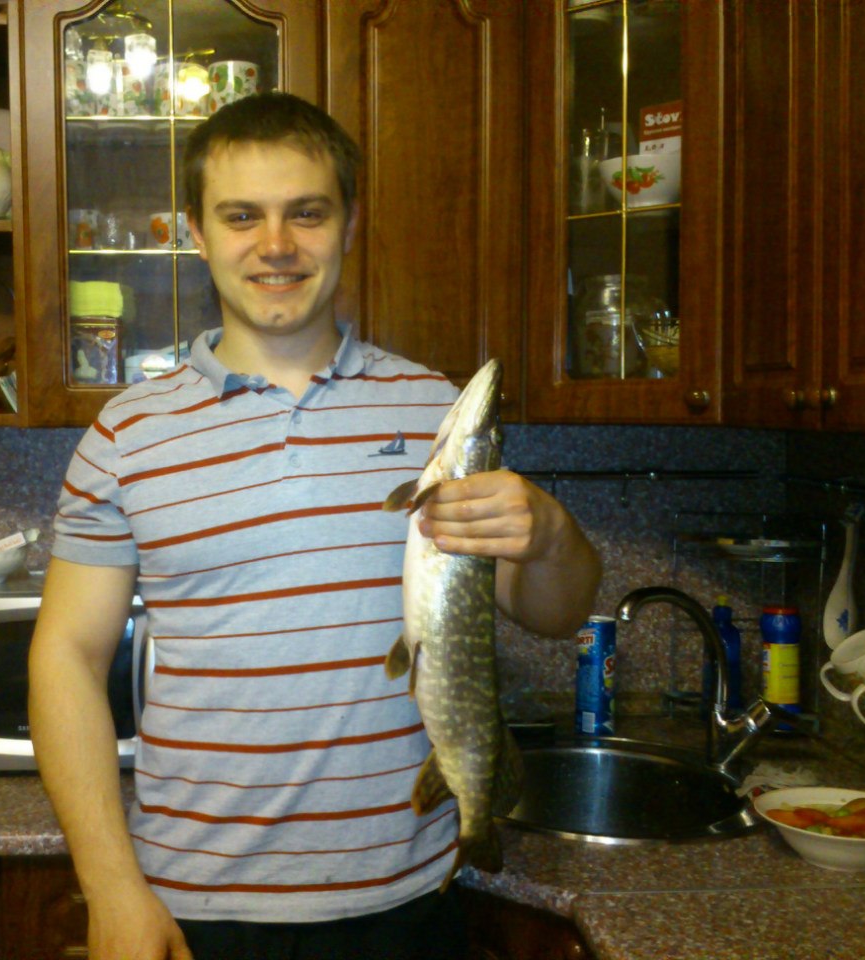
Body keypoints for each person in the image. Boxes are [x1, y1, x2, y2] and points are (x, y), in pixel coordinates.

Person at [29, 92, 601, 960]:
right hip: (196, 905)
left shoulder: (437, 414)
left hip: (406, 902)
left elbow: (555, 613)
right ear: (196, 233)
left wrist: (552, 534)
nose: (276, 245)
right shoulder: (125, 434)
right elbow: (66, 657)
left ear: (350, 223)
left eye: (307, 212)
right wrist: (111, 888)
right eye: (241, 217)